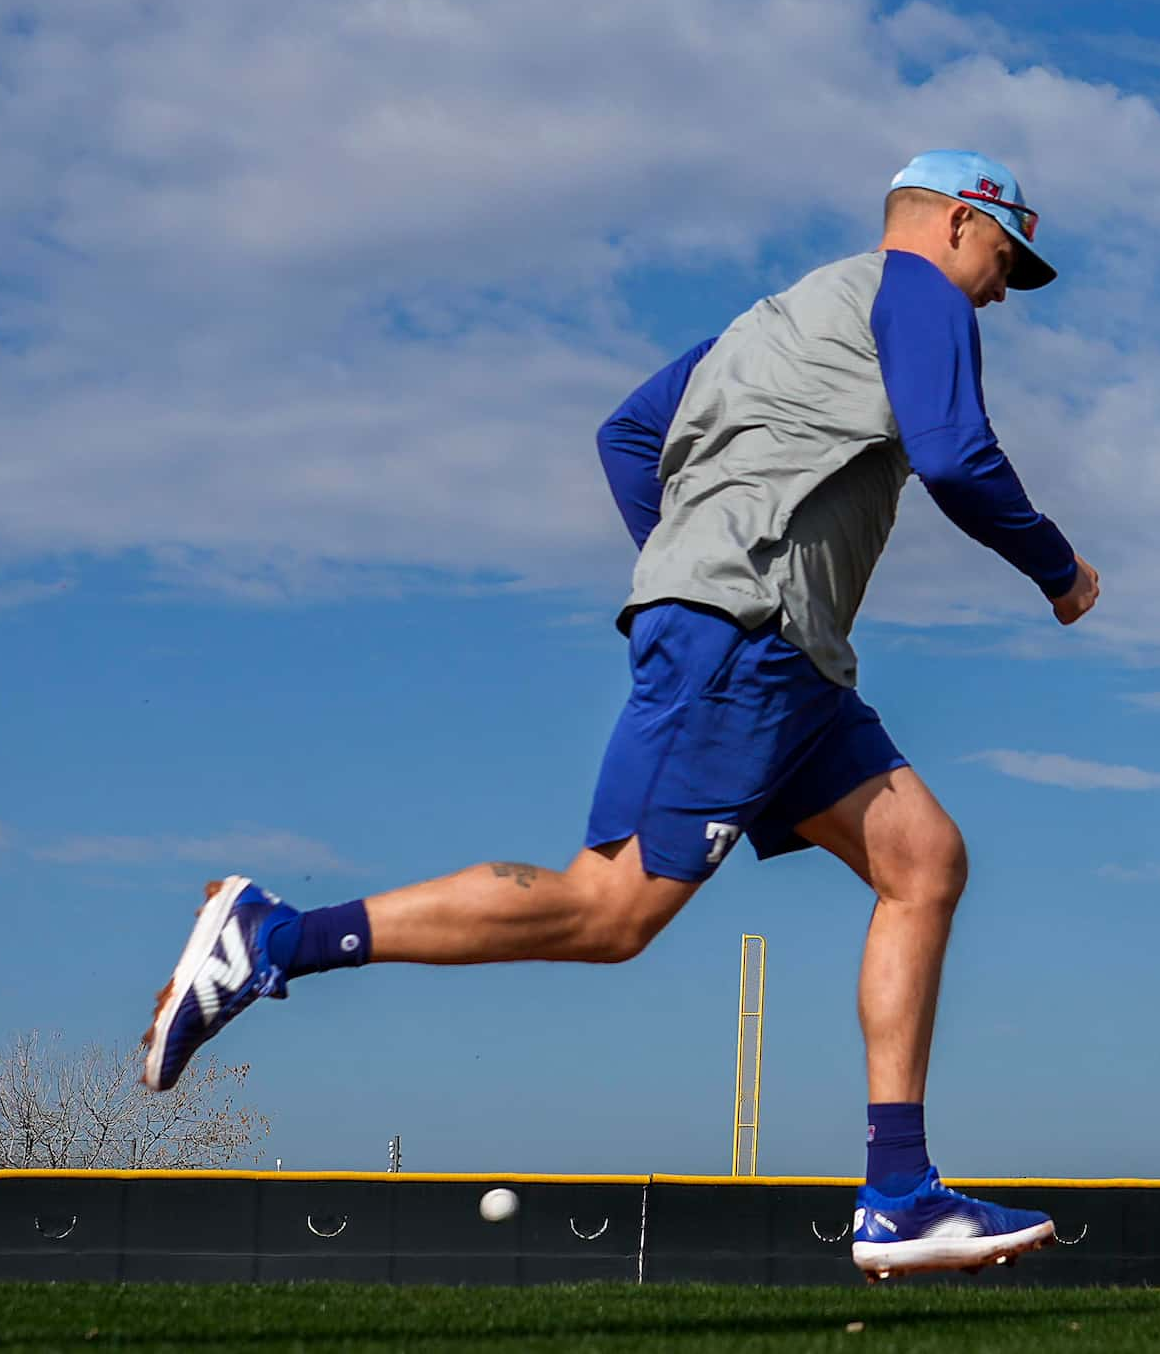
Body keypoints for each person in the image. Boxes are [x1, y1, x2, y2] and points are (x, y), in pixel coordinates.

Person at [138, 151, 1101, 1280]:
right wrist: (1056, 569)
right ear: (948, 226)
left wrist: (687, 560)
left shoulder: (768, 324)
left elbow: (626, 436)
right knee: (609, 912)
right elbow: (953, 456)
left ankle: (897, 1193)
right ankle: (270, 938)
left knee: (922, 861)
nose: (998, 288)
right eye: (1000, 258)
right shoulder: (920, 294)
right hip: (746, 638)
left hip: (781, 654)